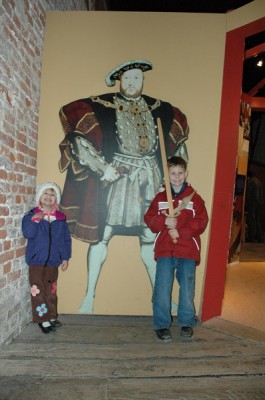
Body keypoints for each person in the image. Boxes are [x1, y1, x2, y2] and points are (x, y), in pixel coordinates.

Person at [58, 59, 189, 313]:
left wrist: (172, 176)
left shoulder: (159, 108)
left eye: (137, 78)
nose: (132, 83)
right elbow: (78, 135)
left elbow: (179, 146)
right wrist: (103, 168)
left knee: (149, 238)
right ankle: (89, 298)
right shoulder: (102, 104)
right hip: (118, 177)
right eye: (127, 78)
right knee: (102, 235)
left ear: (143, 80)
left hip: (149, 176)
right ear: (119, 80)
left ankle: (160, 300)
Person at [144, 156, 208, 342]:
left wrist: (181, 231)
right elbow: (149, 219)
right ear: (167, 175)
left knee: (187, 288)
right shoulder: (160, 198)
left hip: (187, 249)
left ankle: (186, 321)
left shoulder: (195, 199)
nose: (177, 177)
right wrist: (164, 220)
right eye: (173, 174)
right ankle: (162, 324)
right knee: (162, 288)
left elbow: (201, 222)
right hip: (165, 249)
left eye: (180, 173)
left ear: (186, 173)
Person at [22, 182, 72, 334]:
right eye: (46, 194)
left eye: (52, 194)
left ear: (56, 198)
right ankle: (41, 319)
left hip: (52, 263)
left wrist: (65, 258)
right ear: (39, 197)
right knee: (38, 292)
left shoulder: (61, 219)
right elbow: (28, 234)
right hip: (36, 262)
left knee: (51, 291)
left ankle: (51, 316)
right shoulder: (31, 215)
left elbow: (65, 240)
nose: (49, 197)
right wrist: (36, 220)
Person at [245, 170, 264, 243]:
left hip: (252, 203)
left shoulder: (251, 182)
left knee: (251, 220)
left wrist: (246, 203)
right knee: (257, 220)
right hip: (259, 203)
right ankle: (260, 238)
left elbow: (249, 194)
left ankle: (251, 238)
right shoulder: (259, 181)